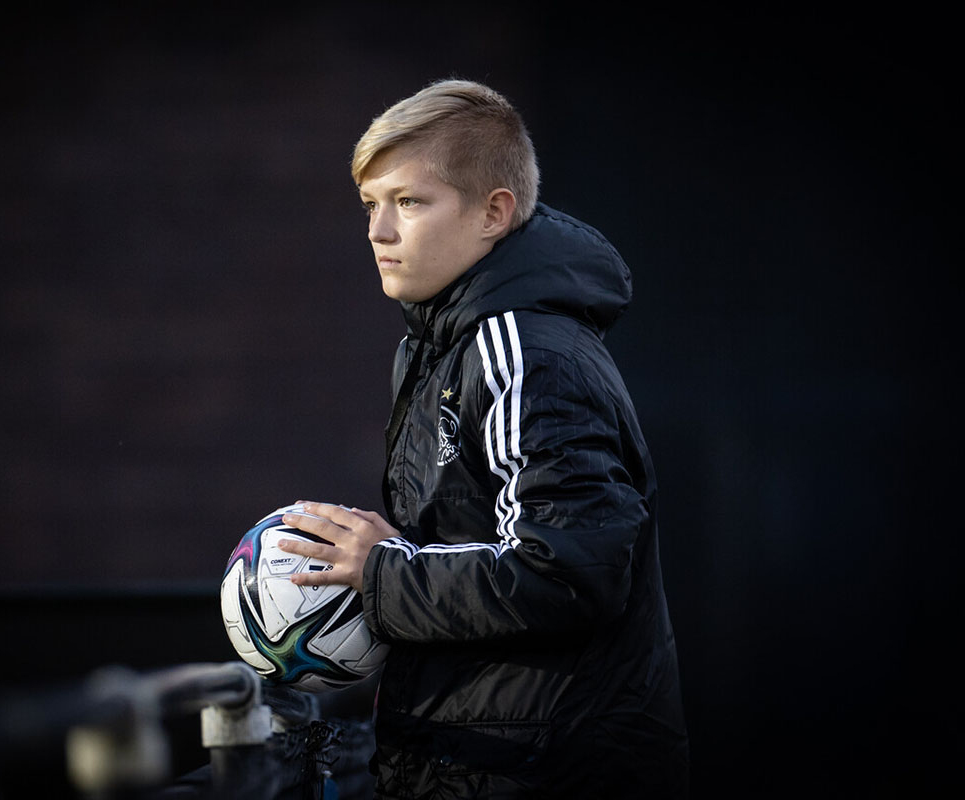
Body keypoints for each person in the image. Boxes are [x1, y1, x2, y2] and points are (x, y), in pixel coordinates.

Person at [276, 78, 689, 799]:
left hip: (544, 774)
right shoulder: (439, 343)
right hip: (474, 765)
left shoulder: (520, 348)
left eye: (409, 202)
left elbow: (568, 572)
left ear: (494, 212)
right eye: (371, 205)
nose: (378, 231)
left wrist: (381, 573)